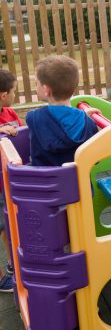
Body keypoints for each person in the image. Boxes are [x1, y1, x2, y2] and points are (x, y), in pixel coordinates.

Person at [26, 55, 98, 167]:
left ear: (46, 90)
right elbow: (95, 159)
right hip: (78, 182)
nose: (36, 87)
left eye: (37, 83)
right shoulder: (88, 123)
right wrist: (84, 117)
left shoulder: (33, 118)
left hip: (45, 182)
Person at [0, 69, 22, 292]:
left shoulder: (10, 112)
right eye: (14, 90)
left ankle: (13, 264)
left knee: (10, 225)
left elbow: (21, 132)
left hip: (7, 182)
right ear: (3, 94)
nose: (15, 94)